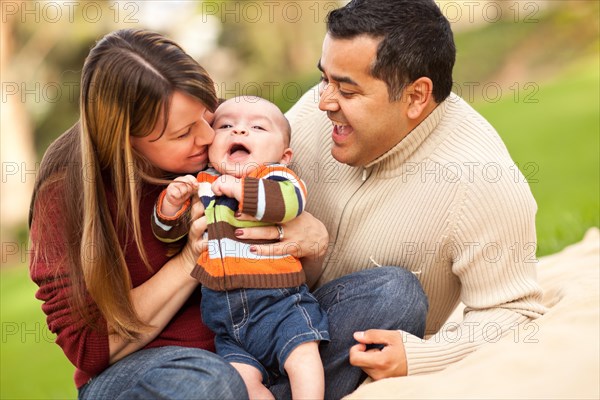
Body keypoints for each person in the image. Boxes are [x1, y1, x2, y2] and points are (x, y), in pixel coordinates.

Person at [270, 0, 546, 384]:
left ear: (416, 97)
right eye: (324, 79)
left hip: (335, 340)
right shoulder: (315, 114)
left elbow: (514, 311)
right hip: (261, 312)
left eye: (347, 92)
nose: (324, 102)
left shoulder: (481, 180)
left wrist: (426, 356)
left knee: (394, 292)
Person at [28, 29, 248, 399]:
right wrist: (190, 259)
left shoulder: (226, 133)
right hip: (144, 371)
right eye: (182, 134)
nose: (209, 136)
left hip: (251, 343)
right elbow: (90, 346)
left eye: (206, 114)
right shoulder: (65, 191)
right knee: (206, 381)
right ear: (125, 140)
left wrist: (308, 233)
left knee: (379, 293)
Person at [151, 96, 329, 399]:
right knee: (241, 383)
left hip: (280, 305)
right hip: (225, 323)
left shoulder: (277, 177)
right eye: (226, 125)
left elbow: (289, 204)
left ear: (284, 155)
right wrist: (170, 206)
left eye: (258, 127)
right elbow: (169, 236)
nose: (239, 132)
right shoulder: (202, 183)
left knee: (303, 356)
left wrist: (240, 190)